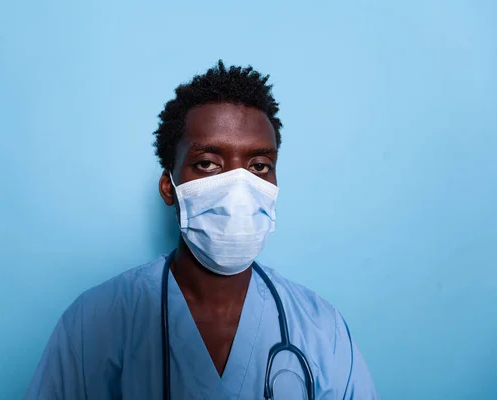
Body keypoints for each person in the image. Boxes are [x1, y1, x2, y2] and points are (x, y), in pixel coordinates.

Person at [24, 61, 378, 399]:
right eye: (208, 164)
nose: (238, 188)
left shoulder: (321, 330)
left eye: (259, 165)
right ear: (169, 186)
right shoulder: (95, 323)